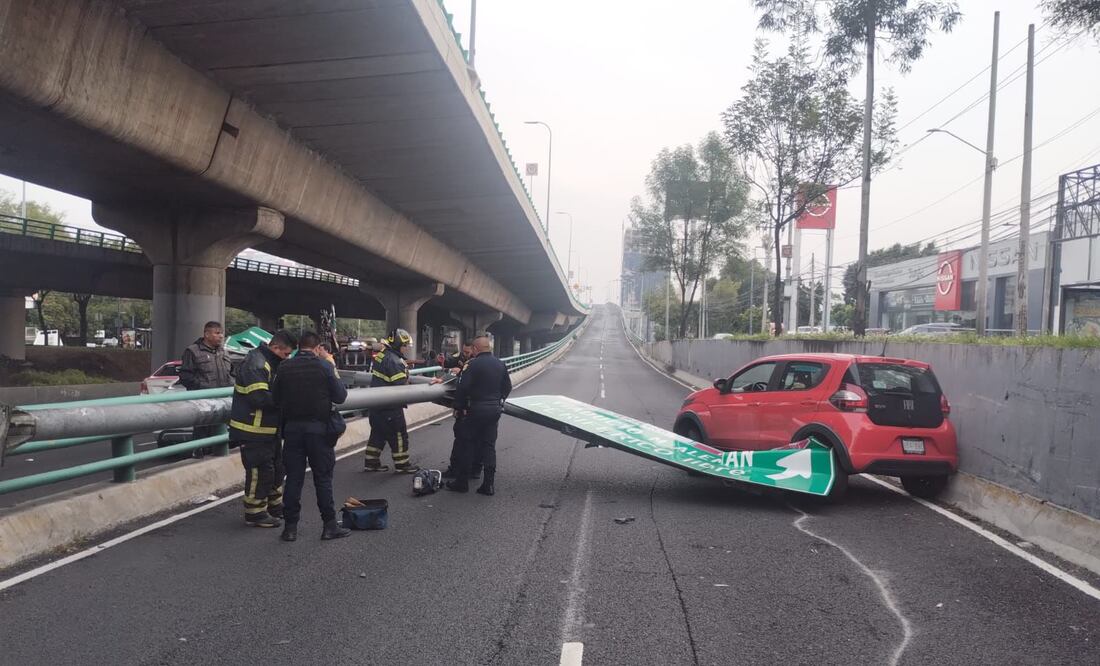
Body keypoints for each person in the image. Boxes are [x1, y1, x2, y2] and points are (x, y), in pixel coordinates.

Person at [272, 332, 350, 542]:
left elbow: (275, 398)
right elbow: (341, 397)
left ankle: (290, 529)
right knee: (323, 479)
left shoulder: (284, 367)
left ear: (299, 347)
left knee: (293, 480)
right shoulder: (324, 367)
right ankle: (329, 526)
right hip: (318, 431)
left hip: (292, 431)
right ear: (316, 348)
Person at [230, 329, 297, 528]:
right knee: (260, 471)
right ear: (276, 348)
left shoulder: (273, 363)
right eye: (286, 354)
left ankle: (274, 507)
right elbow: (259, 398)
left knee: (277, 468)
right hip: (253, 429)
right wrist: (290, 401)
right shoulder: (256, 364)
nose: (287, 358)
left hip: (269, 429)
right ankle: (255, 513)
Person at [446, 335, 511, 495]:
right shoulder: (500, 364)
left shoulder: (472, 364)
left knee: (467, 444)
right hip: (494, 410)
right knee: (489, 446)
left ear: (475, 349)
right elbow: (507, 386)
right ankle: (488, 485)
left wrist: (458, 407)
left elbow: (463, 387)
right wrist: (499, 400)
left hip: (475, 410)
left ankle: (462, 483)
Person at [363, 329, 420, 473]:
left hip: (376, 405)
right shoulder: (395, 361)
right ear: (397, 345)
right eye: (404, 345)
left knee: (378, 433)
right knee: (399, 435)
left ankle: (371, 462)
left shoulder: (382, 356)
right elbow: (400, 387)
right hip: (390, 407)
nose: (406, 349)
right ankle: (402, 464)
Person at [178, 321, 233, 457]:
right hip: (203, 404)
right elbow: (185, 377)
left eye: (221, 333)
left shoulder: (223, 352)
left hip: (222, 403)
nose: (221, 336)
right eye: (217, 333)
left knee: (220, 444)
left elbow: (231, 373)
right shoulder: (193, 351)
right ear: (207, 334)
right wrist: (203, 387)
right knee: (202, 441)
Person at [435, 341, 479, 479]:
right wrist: (442, 362)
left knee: (466, 441)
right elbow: (449, 362)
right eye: (463, 352)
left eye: (467, 353)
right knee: (464, 440)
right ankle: (464, 470)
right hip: (468, 408)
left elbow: (471, 382)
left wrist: (461, 372)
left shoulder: (477, 363)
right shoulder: (461, 357)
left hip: (472, 408)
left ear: (474, 350)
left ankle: (465, 472)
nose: (465, 355)